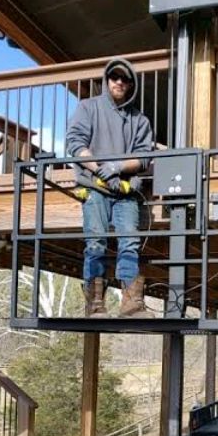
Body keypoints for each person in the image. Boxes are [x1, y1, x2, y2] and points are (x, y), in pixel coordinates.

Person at [66, 57, 154, 318]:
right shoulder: (87, 107)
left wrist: (117, 167)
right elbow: (75, 144)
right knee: (95, 243)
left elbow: (143, 158)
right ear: (107, 80)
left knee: (130, 242)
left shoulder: (139, 120)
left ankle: (131, 304)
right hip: (94, 189)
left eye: (125, 79)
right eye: (114, 77)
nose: (119, 82)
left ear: (130, 85)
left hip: (126, 193)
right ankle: (94, 305)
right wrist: (99, 169)